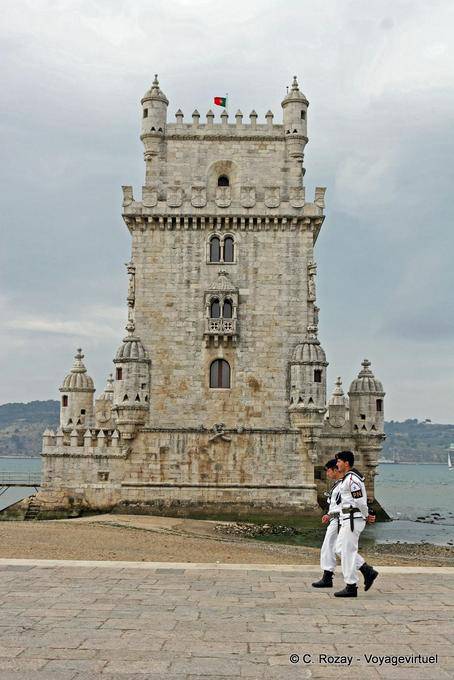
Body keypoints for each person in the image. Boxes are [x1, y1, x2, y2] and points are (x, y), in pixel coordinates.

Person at [333, 450, 379, 597]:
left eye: (339, 461)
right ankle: (367, 570)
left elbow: (360, 501)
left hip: (353, 518)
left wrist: (366, 515)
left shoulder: (352, 479)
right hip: (347, 518)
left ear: (346, 463)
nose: (337, 464)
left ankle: (351, 586)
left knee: (347, 552)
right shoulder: (347, 479)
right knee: (339, 549)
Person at [312, 459, 343, 588]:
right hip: (334, 518)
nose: (327, 474)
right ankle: (327, 576)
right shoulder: (337, 484)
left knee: (338, 548)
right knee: (330, 547)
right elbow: (335, 504)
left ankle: (365, 569)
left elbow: (346, 504)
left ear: (335, 470)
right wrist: (328, 514)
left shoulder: (343, 484)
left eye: (329, 471)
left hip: (340, 520)